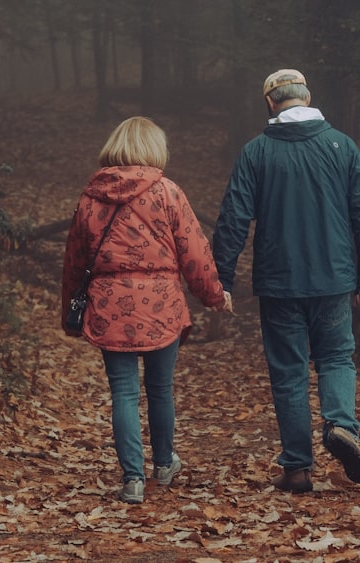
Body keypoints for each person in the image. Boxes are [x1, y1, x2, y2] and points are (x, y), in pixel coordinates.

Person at [212, 69, 360, 493]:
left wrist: (222, 280)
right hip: (334, 278)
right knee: (337, 358)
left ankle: (297, 468)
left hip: (279, 282)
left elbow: (234, 219)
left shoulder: (256, 152)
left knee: (289, 371)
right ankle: (342, 426)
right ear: (307, 97)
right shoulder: (342, 147)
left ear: (270, 103)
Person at [61, 116, 232, 504]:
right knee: (159, 390)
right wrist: (213, 294)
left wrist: (69, 313)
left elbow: (75, 259)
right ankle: (165, 462)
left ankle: (132, 479)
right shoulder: (167, 192)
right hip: (160, 305)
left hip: (109, 305)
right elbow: (194, 251)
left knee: (123, 392)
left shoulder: (92, 196)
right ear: (154, 148)